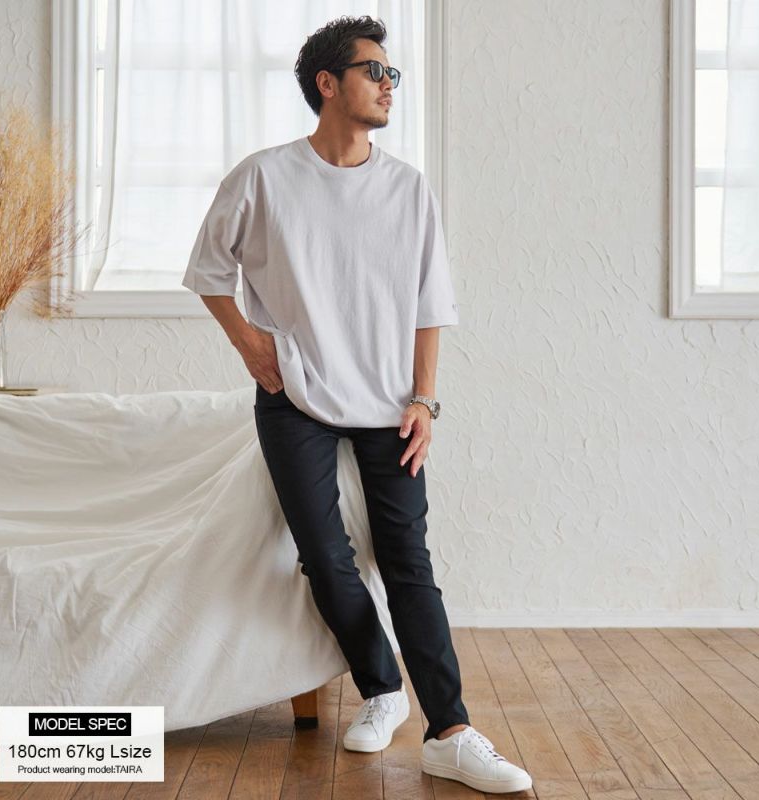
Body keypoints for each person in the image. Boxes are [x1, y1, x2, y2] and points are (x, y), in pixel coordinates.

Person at [181, 14, 532, 796]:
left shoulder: (408, 189)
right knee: (323, 554)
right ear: (328, 84)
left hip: (390, 405)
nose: (388, 84)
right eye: (374, 71)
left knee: (409, 562)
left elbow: (430, 304)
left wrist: (425, 400)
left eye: (391, 73)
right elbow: (207, 270)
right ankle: (381, 688)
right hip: (294, 398)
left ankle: (451, 734)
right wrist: (251, 347)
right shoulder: (264, 178)